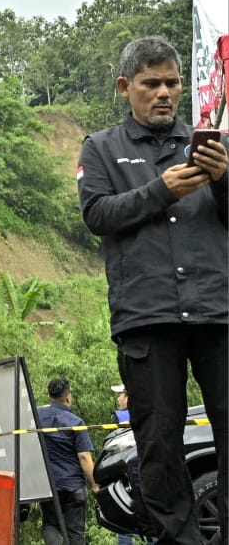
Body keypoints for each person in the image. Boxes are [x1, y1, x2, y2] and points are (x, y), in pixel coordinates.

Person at [77, 36, 228, 544]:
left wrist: (223, 181)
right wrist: (162, 189)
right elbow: (98, 215)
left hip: (218, 312)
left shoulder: (215, 145)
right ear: (126, 87)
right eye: (151, 83)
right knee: (159, 444)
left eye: (172, 83)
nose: (164, 93)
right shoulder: (101, 148)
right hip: (147, 316)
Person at [36, 377, 98, 545]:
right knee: (75, 532)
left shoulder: (36, 417)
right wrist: (94, 484)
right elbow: (84, 457)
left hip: (48, 485)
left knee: (50, 525)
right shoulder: (76, 422)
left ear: (49, 395)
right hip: (73, 488)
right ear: (68, 397)